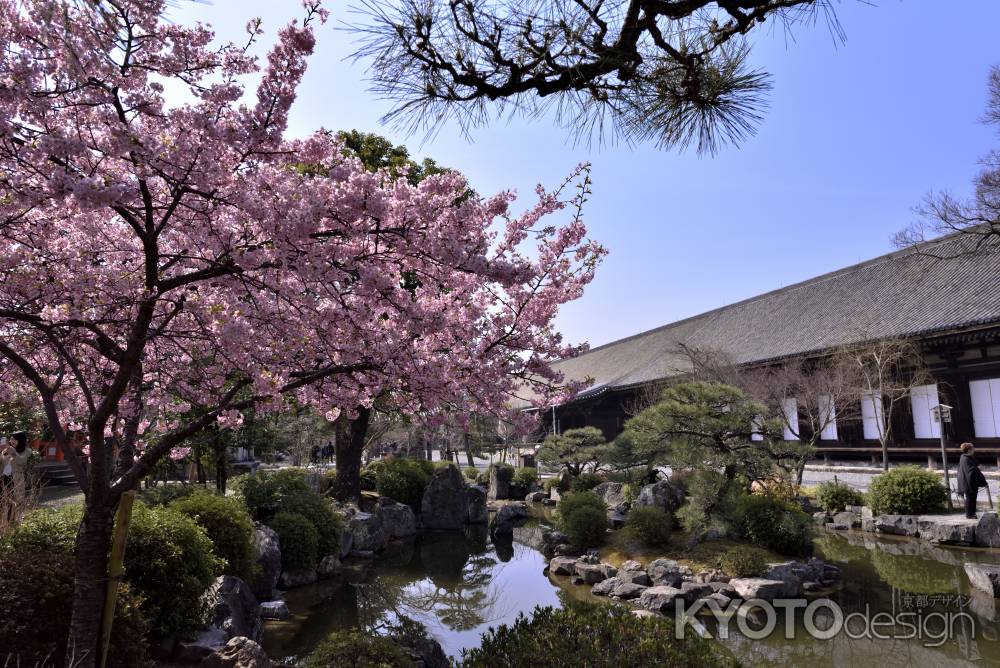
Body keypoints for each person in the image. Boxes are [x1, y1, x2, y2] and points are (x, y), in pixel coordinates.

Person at [958, 442, 988, 519]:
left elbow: (975, 466)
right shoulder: (965, 459)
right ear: (968, 450)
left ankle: (972, 513)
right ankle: (969, 514)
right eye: (972, 448)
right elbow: (971, 471)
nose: (974, 450)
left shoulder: (966, 457)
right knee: (970, 498)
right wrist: (981, 479)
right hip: (968, 482)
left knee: (973, 498)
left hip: (971, 482)